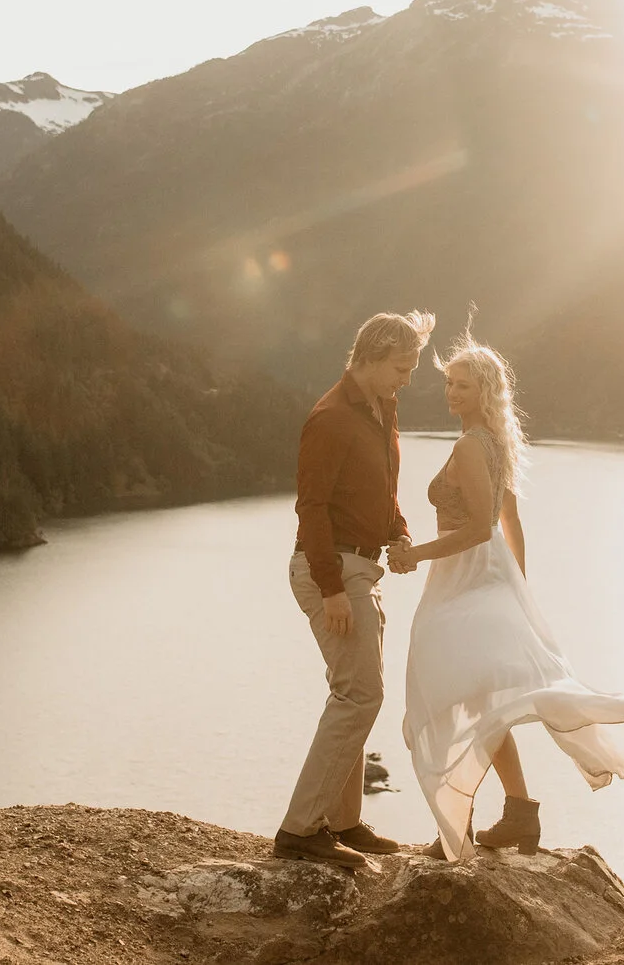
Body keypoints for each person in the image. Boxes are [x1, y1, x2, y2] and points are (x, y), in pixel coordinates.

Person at [390, 328, 624, 860]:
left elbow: (475, 528)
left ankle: (467, 825)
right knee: (474, 700)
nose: (452, 394)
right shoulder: (493, 443)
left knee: (448, 695)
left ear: (486, 392)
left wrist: (413, 555)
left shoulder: (473, 446)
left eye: (464, 386)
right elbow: (508, 520)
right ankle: (518, 814)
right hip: (483, 578)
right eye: (449, 384)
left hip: (464, 576)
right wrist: (514, 583)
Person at [274, 309, 437, 868]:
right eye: (401, 365)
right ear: (370, 357)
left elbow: (383, 489)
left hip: (359, 568)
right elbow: (312, 507)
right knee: (360, 696)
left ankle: (342, 823)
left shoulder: (380, 408)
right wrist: (333, 590)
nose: (408, 378)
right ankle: (301, 830)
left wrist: (400, 532)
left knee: (352, 694)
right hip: (333, 573)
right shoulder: (331, 418)